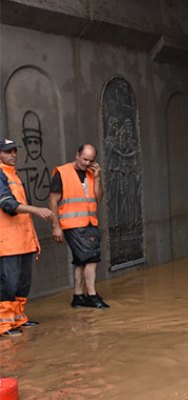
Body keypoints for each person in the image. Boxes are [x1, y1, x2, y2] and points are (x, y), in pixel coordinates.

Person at [0, 139, 53, 336]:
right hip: (7, 242)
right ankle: (4, 325)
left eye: (14, 151)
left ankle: (18, 319)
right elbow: (8, 205)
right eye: (7, 152)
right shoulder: (1, 175)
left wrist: (33, 239)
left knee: (22, 283)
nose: (13, 155)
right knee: (8, 283)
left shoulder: (13, 175)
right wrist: (36, 210)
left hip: (23, 240)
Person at [49, 144, 109, 309]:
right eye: (84, 159)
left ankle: (78, 296)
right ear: (77, 155)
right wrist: (56, 226)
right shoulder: (63, 173)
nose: (86, 163)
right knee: (91, 258)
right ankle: (91, 295)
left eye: (91, 160)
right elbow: (53, 201)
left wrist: (97, 178)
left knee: (81, 261)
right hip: (72, 224)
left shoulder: (91, 173)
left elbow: (98, 198)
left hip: (89, 222)